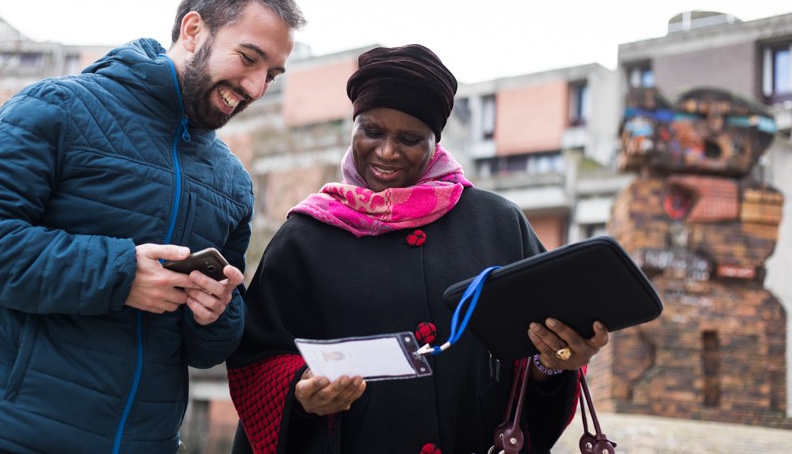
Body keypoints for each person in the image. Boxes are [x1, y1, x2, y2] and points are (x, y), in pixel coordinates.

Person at [0, 0, 305, 454]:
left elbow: (207, 352)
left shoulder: (233, 184)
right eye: (248, 58)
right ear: (193, 30)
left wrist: (217, 313)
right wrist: (119, 274)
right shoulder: (59, 108)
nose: (257, 88)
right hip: (11, 439)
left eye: (272, 75)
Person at [226, 44, 610, 454]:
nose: (387, 151)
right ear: (353, 126)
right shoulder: (304, 237)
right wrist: (300, 391)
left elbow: (536, 352)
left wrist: (553, 360)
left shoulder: (498, 225)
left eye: (410, 139)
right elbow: (257, 360)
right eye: (372, 131)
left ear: (436, 143)